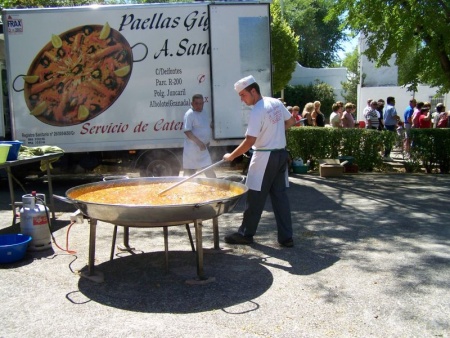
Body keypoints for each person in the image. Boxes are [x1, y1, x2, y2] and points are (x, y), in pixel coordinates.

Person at [222, 75, 296, 247]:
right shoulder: (275, 103)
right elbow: (291, 121)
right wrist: (273, 132)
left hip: (264, 157)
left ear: (253, 91)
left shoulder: (257, 110)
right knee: (280, 197)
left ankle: (246, 234)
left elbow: (249, 141)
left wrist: (231, 156)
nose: (242, 99)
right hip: (281, 155)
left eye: (243, 95)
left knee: (255, 197)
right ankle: (286, 238)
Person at [182, 93, 216, 178]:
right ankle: (185, 189)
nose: (199, 106)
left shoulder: (204, 112)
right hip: (192, 151)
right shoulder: (189, 114)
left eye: (201, 103)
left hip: (203, 149)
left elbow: (205, 126)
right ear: (192, 103)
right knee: (189, 176)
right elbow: (187, 131)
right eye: (196, 103)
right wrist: (199, 143)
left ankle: (215, 188)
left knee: (210, 172)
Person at [383, 96, 400, 161]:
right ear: (391, 101)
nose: (395, 102)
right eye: (394, 101)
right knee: (390, 141)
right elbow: (394, 116)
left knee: (387, 141)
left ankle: (386, 155)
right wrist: (398, 118)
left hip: (386, 125)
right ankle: (387, 156)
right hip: (391, 126)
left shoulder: (385, 107)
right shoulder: (392, 108)